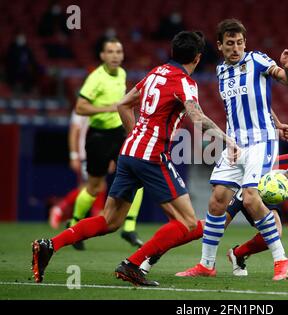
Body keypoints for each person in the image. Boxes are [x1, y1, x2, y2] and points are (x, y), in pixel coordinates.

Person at [31, 31, 239, 286]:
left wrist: (137, 136)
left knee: (110, 221)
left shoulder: (155, 73)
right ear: (197, 58)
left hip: (129, 152)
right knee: (187, 222)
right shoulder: (185, 82)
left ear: (173, 52)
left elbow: (123, 104)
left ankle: (50, 245)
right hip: (151, 156)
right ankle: (132, 265)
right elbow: (197, 118)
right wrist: (228, 140)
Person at [176, 18, 288, 281]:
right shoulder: (221, 71)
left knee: (251, 198)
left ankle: (282, 260)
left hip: (261, 141)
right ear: (220, 46)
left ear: (246, 43)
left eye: (240, 42)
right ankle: (206, 265)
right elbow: (250, 100)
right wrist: (278, 122)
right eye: (230, 43)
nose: (236, 47)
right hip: (234, 143)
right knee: (217, 200)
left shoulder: (257, 60)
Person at [139, 152, 288, 280]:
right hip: (250, 181)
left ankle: (238, 254)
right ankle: (156, 251)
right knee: (211, 229)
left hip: (267, 194)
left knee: (275, 232)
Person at [62, 37, 143, 250]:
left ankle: (129, 227)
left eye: (119, 51)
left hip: (118, 134)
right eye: (111, 52)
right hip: (98, 137)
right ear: (102, 56)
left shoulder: (123, 74)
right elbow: (80, 107)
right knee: (95, 187)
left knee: (138, 174)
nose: (115, 55)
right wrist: (108, 108)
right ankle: (74, 223)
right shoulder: (95, 78)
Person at [48, 111, 143, 248]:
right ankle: (62, 211)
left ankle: (79, 221)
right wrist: (74, 155)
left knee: (97, 186)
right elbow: (75, 130)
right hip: (88, 151)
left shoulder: (113, 100)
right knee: (91, 187)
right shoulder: (88, 101)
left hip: (105, 148)